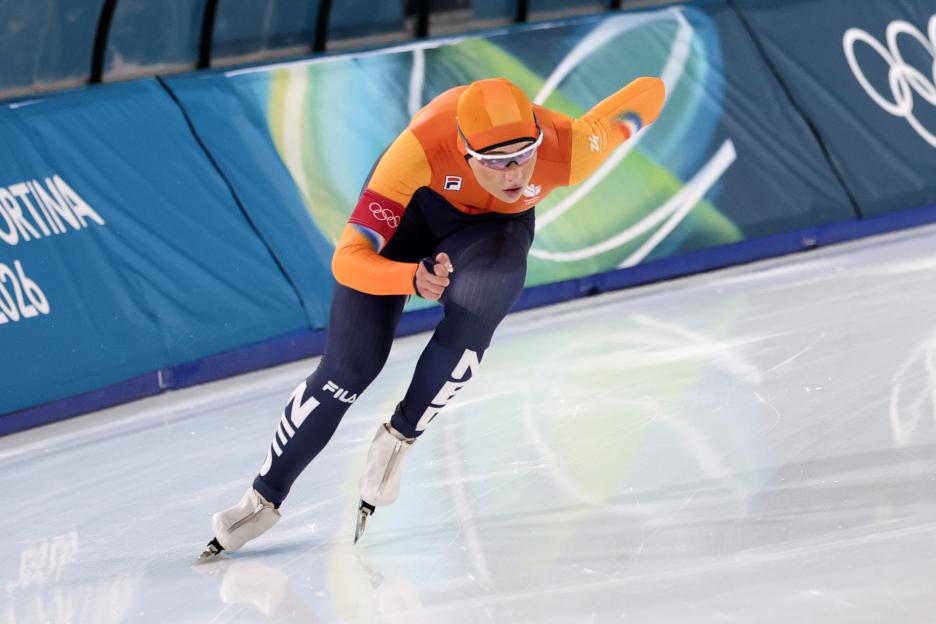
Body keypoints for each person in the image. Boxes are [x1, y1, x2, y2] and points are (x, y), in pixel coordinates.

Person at [200, 74, 665, 557]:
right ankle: (262, 497)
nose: (515, 176)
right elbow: (347, 258)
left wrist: (620, 121)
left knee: (477, 312)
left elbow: (649, 91)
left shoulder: (568, 148)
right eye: (495, 163)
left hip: (492, 231)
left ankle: (399, 437)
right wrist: (410, 279)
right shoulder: (417, 151)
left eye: (524, 156)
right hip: (410, 217)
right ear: (464, 152)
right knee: (348, 369)